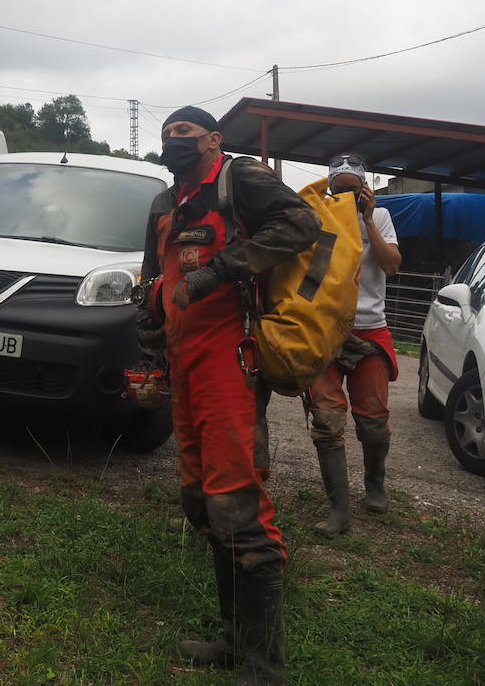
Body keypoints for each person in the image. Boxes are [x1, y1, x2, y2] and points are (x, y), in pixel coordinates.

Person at [138, 105, 319, 685]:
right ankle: (234, 638)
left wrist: (221, 271)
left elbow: (300, 223)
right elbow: (154, 282)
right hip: (183, 362)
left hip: (230, 360)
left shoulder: (239, 179)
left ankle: (265, 667)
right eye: (167, 136)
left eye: (184, 134)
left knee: (237, 505)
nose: (173, 142)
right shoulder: (166, 203)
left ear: (214, 139)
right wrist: (148, 348)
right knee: (201, 504)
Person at [305, 153, 402, 537]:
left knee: (374, 422)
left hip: (370, 330)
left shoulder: (379, 217)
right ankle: (338, 508)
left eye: (353, 188)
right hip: (327, 329)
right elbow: (309, 275)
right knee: (327, 423)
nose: (346, 194)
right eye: (339, 188)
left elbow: (391, 264)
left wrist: (365, 218)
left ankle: (375, 482)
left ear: (365, 188)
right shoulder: (319, 217)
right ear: (330, 188)